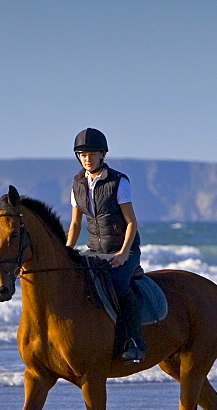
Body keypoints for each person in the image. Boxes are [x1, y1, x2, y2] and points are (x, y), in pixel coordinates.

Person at [66, 127, 146, 364]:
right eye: (82, 155)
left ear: (102, 154)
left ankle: (135, 342)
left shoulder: (118, 182)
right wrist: (67, 251)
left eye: (91, 154)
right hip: (94, 250)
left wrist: (123, 254)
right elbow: (74, 224)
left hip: (124, 250)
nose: (87, 159)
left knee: (119, 285)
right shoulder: (77, 184)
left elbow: (131, 222)